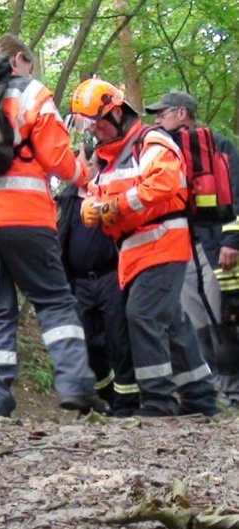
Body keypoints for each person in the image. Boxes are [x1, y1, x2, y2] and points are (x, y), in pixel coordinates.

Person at [0, 33, 109, 422]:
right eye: (30, 64)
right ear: (19, 59)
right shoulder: (29, 91)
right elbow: (57, 159)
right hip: (21, 215)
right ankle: (76, 385)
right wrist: (85, 173)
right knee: (53, 299)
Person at [71, 79, 217, 416]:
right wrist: (90, 210)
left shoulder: (150, 141)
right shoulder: (107, 159)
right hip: (135, 252)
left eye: (99, 122)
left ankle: (158, 401)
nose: (95, 131)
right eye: (89, 125)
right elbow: (92, 195)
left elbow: (163, 183)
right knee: (173, 321)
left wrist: (116, 206)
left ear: (118, 112)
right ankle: (200, 396)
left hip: (163, 241)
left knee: (142, 315)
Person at [144, 91, 239, 406]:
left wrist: (231, 241)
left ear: (182, 113)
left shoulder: (219, 146)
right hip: (180, 248)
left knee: (221, 317)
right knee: (195, 321)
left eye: (163, 113)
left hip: (216, 249)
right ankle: (211, 388)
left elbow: (235, 194)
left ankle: (233, 389)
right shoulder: (166, 153)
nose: (157, 120)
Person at [57, 147, 140, 416]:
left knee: (118, 341)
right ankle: (100, 397)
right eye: (83, 163)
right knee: (88, 343)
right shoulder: (67, 199)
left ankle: (126, 404)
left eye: (90, 163)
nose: (85, 167)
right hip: (78, 283)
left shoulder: (108, 195)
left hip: (110, 278)